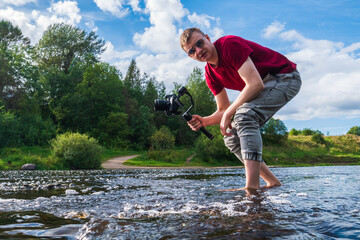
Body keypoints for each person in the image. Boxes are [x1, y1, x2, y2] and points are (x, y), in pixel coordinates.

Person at [180, 27, 301, 191]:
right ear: (190, 56)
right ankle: (272, 182)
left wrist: (231, 111)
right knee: (230, 136)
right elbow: (223, 110)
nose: (199, 51)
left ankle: (251, 188)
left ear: (207, 38)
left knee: (244, 116)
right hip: (265, 85)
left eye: (200, 43)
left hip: (285, 77)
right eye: (192, 51)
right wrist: (204, 121)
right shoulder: (210, 74)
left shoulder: (229, 45)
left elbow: (255, 84)